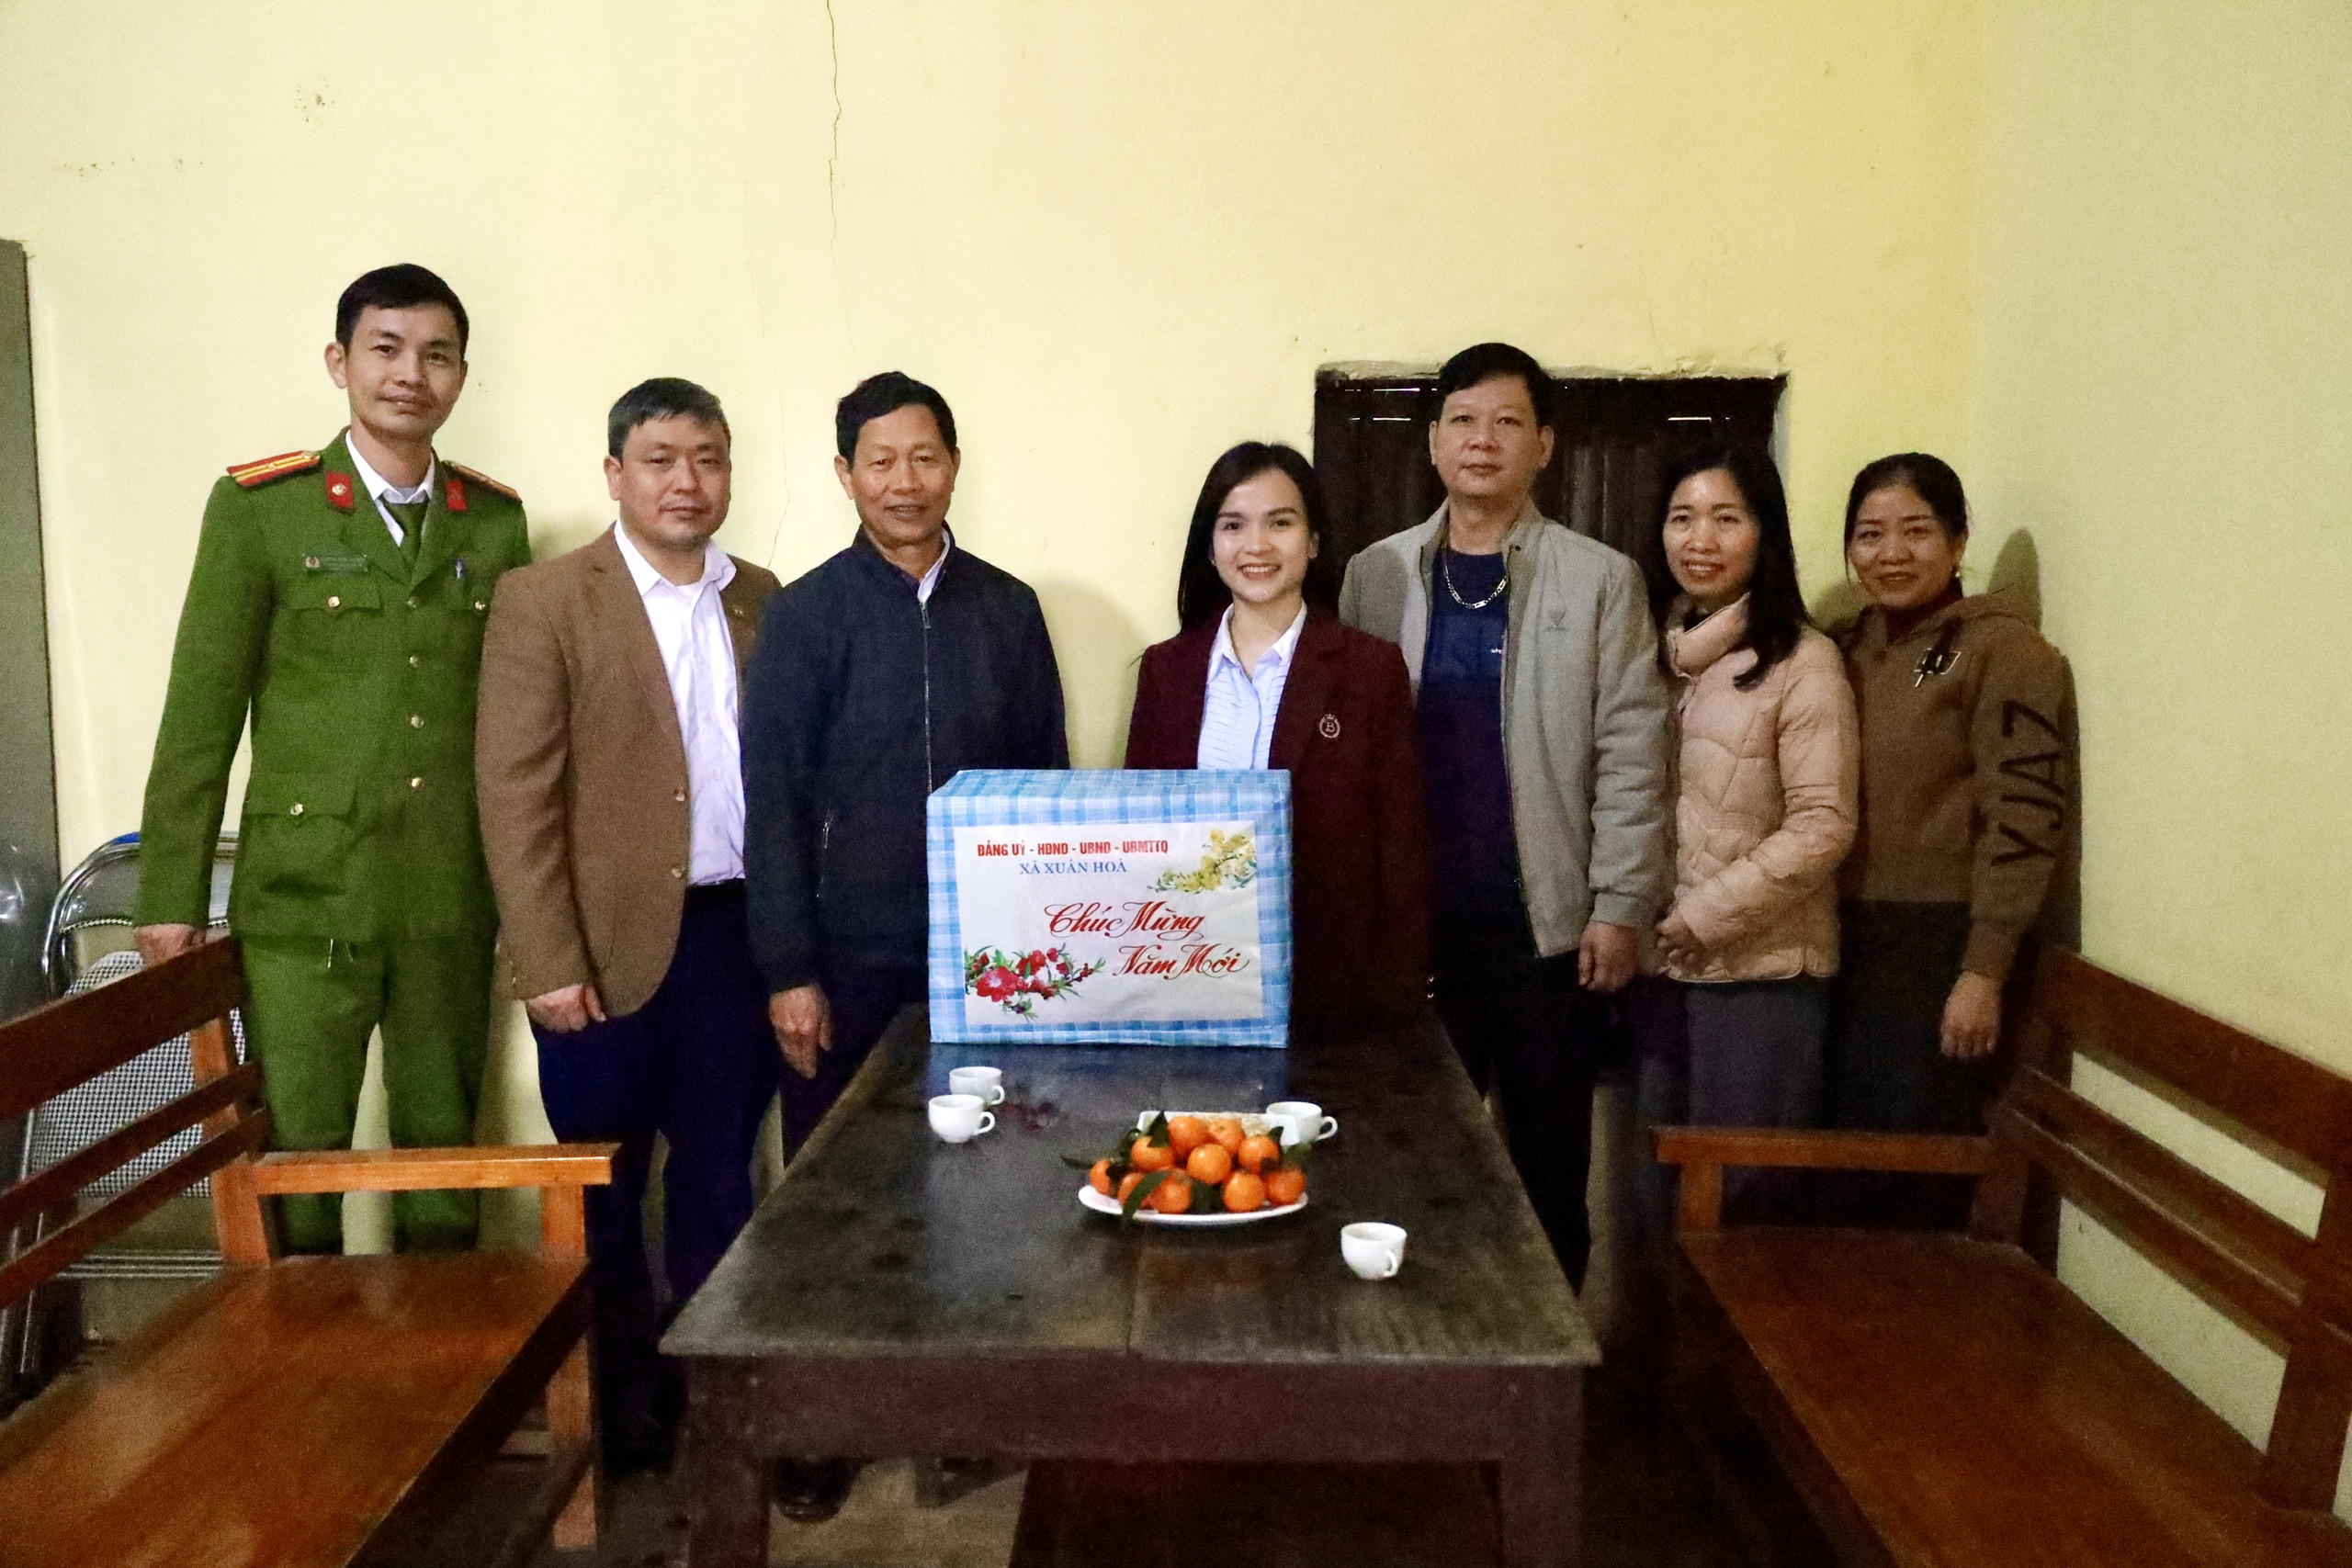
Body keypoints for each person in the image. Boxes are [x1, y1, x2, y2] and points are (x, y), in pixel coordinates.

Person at [134, 264, 528, 1254]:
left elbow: (515, 726)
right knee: (297, 1164)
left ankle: (441, 1349)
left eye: (436, 355)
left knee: (445, 1164)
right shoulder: (264, 508)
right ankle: (293, 1349)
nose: (410, 376)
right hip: (305, 895)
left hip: (446, 892)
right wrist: (170, 895)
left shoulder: (493, 522)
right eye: (385, 349)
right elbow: (200, 713)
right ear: (338, 362)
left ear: (462, 375)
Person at [475, 378, 780, 1475]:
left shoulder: (762, 599)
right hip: (598, 953)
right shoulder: (547, 600)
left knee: (720, 1183)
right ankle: (620, 1419)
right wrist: (548, 963)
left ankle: (713, 1415)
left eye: (707, 458)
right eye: (659, 459)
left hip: (733, 939)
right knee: (602, 1197)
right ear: (615, 474)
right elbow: (513, 794)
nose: (685, 482)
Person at [1339, 342, 1671, 1287]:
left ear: (1545, 445)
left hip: (1546, 932)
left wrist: (1619, 904)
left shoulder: (1600, 579)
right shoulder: (1376, 574)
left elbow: (1633, 751)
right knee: (1408, 1165)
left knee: (1549, 1174)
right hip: (1416, 932)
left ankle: (1551, 1369)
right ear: (1433, 442)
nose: (1481, 440)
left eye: (1506, 422)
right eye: (1462, 420)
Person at [745, 372, 1068, 1144]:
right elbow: (773, 801)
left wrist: (1048, 953)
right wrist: (790, 973)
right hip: (846, 962)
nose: (905, 483)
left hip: (991, 959)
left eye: (924, 458)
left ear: (954, 465)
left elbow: (1045, 789)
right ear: (845, 473)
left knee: (991, 1166)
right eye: (881, 461)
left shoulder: (1009, 608)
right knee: (841, 1170)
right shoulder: (802, 616)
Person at [1829, 452, 2076, 1223]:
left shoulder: (2007, 653)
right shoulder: (1845, 647)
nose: (1891, 553)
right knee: (1841, 1165)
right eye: (1869, 534)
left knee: (1914, 1162)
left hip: (1939, 943)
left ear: (1959, 540)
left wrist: (1983, 970)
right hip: (1843, 934)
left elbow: (2025, 815)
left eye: (1916, 531)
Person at [1122, 442, 1429, 1034]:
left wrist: (1398, 992)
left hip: (1329, 988)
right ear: (1210, 547)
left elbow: (1401, 849)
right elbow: (1139, 833)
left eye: (1280, 523)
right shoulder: (1167, 671)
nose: (1257, 545)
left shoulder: (1369, 670)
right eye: (1234, 525)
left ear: (1313, 542)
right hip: (1184, 974)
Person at [1633, 445, 1857, 1224]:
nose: (1701, 539)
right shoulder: (1654, 653)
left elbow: (1823, 825)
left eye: (1726, 518)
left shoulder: (1805, 661)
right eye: (1682, 517)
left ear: (1765, 533)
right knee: (1657, 1202)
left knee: (1740, 1208)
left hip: (1762, 977)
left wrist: (1702, 915)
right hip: (1664, 969)